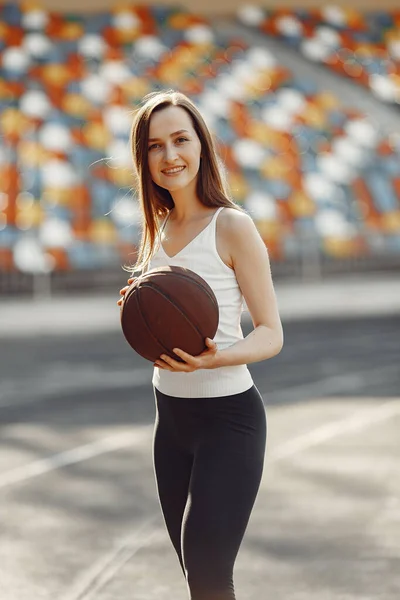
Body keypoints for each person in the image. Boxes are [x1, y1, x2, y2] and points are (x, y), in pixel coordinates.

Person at [117, 90, 283, 600]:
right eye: (155, 146)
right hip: (171, 422)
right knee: (195, 577)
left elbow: (271, 334)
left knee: (210, 577)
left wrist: (219, 356)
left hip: (228, 420)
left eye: (180, 140)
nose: (170, 156)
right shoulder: (156, 230)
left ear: (201, 146)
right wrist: (136, 309)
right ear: (142, 159)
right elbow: (162, 319)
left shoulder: (232, 226)